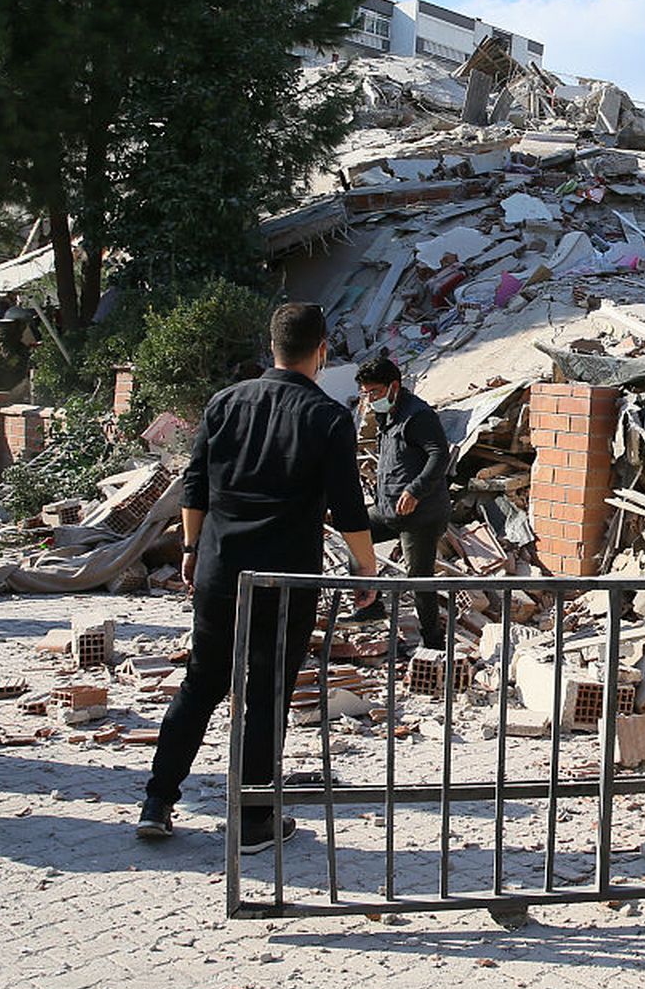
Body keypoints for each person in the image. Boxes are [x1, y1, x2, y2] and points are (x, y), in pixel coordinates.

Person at [138, 303, 376, 852]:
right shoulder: (328, 417)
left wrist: (194, 548)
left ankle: (157, 802)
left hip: (222, 568)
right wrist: (365, 567)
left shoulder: (225, 403)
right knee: (265, 695)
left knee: (201, 684)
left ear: (272, 347)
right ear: (322, 350)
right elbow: (348, 507)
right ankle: (253, 823)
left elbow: (194, 485)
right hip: (285, 577)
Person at [353, 355, 451, 651]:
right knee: (355, 534)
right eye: (366, 393)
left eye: (375, 393)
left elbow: (439, 455)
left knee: (419, 581)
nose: (370, 399)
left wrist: (416, 490)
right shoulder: (386, 415)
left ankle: (433, 645)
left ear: (394, 386)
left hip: (420, 514)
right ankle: (370, 604)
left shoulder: (418, 415)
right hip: (389, 509)